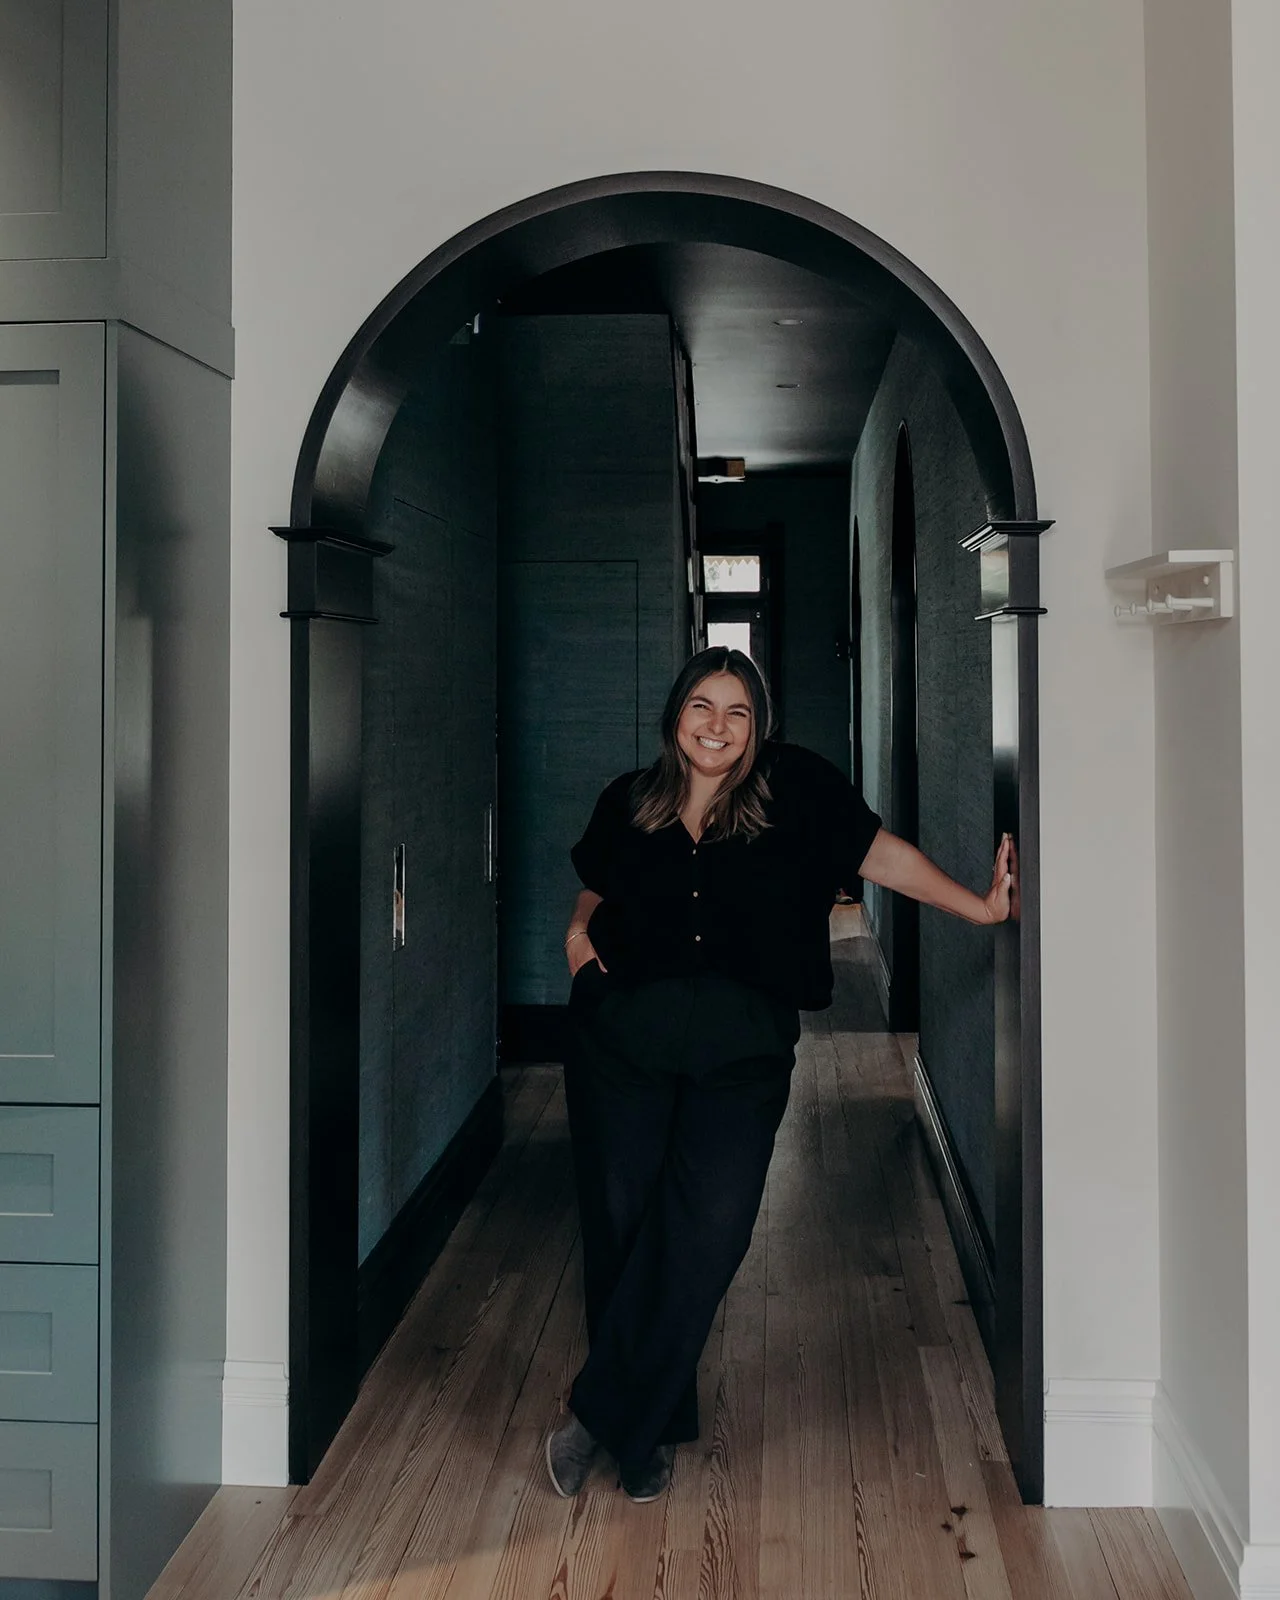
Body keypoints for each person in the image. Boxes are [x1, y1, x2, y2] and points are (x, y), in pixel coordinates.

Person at [545, 646, 1012, 1502]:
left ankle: (600, 1413)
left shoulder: (795, 790)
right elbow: (592, 887)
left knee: (709, 1229)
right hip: (621, 1040)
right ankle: (647, 1431)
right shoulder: (632, 799)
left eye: (738, 712)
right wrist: (578, 942)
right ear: (675, 715)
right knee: (624, 1219)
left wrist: (977, 907)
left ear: (760, 728)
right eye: (701, 706)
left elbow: (881, 858)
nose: (716, 727)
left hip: (741, 1048)